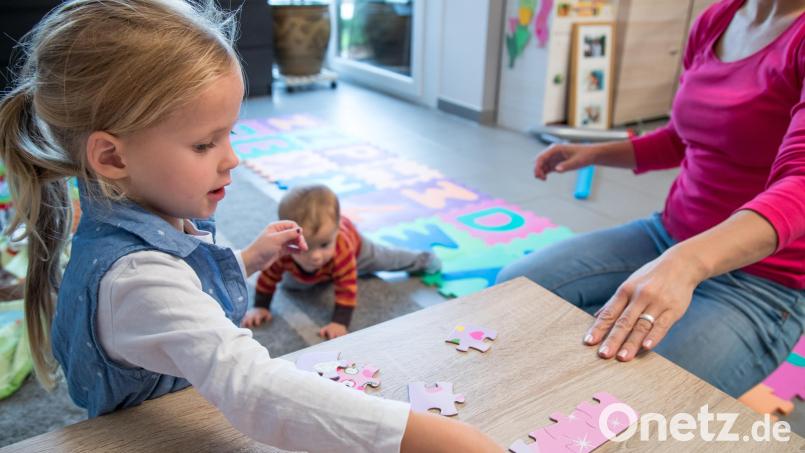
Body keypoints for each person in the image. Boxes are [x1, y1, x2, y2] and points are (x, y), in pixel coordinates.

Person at [0, 1, 500, 451]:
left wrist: (246, 261)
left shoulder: (141, 223)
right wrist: (424, 436)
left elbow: (179, 302)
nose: (233, 160)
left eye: (230, 135)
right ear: (111, 156)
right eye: (204, 144)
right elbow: (256, 390)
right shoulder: (136, 277)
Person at [498, 0, 805, 398]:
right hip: (665, 237)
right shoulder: (717, 19)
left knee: (624, 394)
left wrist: (688, 263)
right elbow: (682, 137)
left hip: (762, 283)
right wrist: (595, 153)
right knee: (514, 289)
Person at [242, 184, 440, 339]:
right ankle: (322, 274)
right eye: (305, 247)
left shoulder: (341, 248)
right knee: (292, 286)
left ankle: (423, 259)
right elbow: (268, 275)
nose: (315, 256)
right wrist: (261, 306)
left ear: (336, 230)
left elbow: (347, 286)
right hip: (314, 268)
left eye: (324, 244)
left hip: (357, 251)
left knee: (387, 258)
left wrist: (340, 322)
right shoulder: (283, 250)